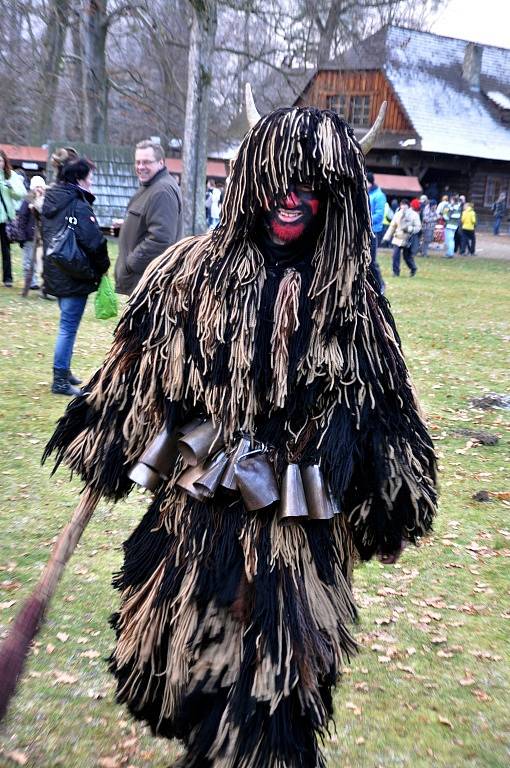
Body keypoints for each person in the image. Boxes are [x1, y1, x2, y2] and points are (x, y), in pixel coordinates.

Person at [44, 102, 437, 768]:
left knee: (271, 701)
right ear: (252, 179)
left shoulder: (349, 297)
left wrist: (390, 505)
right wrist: (104, 439)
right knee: (188, 671)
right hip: (196, 515)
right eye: (280, 179)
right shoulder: (187, 273)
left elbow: (381, 405)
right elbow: (137, 371)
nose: (292, 198)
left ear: (334, 197)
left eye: (311, 185)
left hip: (295, 534)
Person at [42, 157, 110, 396]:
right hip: (75, 274)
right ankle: (59, 378)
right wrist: (103, 266)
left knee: (66, 325)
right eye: (89, 176)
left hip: (57, 271)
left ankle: (64, 369)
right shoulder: (78, 205)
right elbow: (94, 241)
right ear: (79, 178)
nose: (92, 180)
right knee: (68, 327)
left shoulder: (52, 200)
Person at [115, 139, 182, 295]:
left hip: (148, 283)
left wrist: (131, 263)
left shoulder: (162, 191)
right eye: (137, 162)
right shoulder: (150, 186)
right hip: (141, 281)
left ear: (160, 162)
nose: (140, 167)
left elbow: (161, 238)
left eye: (146, 162)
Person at [0, 150, 27, 287]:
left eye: (0, 161)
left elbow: (20, 194)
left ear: (5, 162)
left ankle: (8, 278)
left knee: (5, 250)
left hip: (5, 219)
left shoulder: (11, 176)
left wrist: (10, 188)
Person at [18, 175, 46, 296]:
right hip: (29, 235)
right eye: (37, 186)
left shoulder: (46, 201)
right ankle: (31, 281)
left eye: (41, 186)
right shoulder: (28, 200)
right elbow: (22, 219)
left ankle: (43, 282)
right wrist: (21, 235)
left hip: (42, 236)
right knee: (29, 260)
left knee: (41, 260)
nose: (39, 189)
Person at [382, 198, 421, 276]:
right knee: (395, 256)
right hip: (397, 238)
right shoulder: (397, 214)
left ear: (408, 206)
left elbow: (418, 227)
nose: (403, 207)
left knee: (407, 257)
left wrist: (409, 229)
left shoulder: (414, 215)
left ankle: (413, 268)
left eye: (405, 206)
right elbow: (392, 227)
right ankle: (395, 272)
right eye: (402, 205)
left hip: (408, 239)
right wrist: (386, 238)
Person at [366, 170, 386, 293]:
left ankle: (380, 285)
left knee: (372, 261)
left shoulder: (379, 195)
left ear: (370, 182)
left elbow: (379, 215)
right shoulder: (367, 193)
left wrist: (364, 221)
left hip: (373, 231)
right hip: (364, 231)